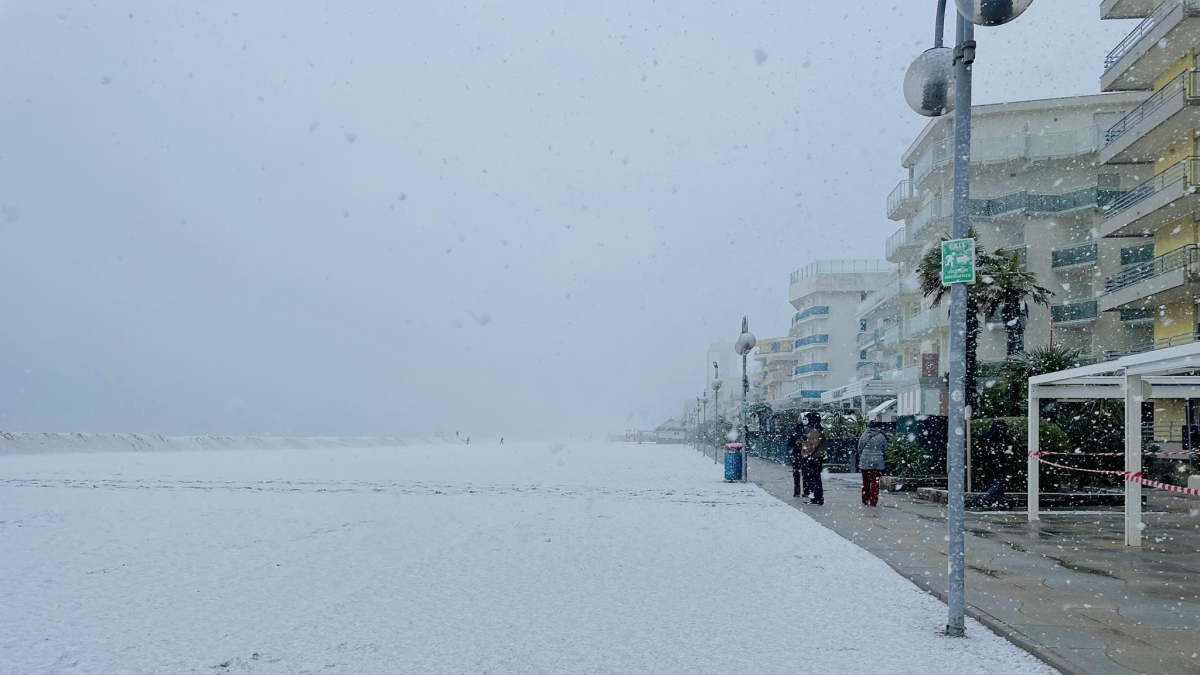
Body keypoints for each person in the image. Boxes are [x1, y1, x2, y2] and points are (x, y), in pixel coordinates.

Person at [974, 419, 1010, 509]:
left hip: (988, 463)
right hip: (999, 463)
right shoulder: (1004, 436)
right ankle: (987, 499)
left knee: (997, 482)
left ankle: (1001, 501)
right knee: (999, 483)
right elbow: (1008, 450)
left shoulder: (985, 435)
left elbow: (979, 448)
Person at [857, 421, 888, 507]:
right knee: (875, 482)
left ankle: (865, 500)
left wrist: (864, 456)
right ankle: (873, 501)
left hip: (865, 462)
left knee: (865, 482)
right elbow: (885, 450)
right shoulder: (881, 436)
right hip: (877, 462)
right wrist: (882, 457)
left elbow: (859, 449)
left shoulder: (864, 435)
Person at [800, 412, 828, 505]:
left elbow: (813, 445)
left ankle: (816, 497)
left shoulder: (815, 430)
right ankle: (817, 497)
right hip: (816, 457)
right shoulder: (817, 429)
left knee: (813, 478)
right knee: (815, 478)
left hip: (814, 457)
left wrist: (805, 454)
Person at [787, 420, 807, 498]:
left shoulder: (793, 436)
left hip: (795, 455)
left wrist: (795, 445)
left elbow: (789, 445)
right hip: (804, 456)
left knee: (796, 474)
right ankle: (806, 491)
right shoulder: (805, 436)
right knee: (805, 474)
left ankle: (797, 492)